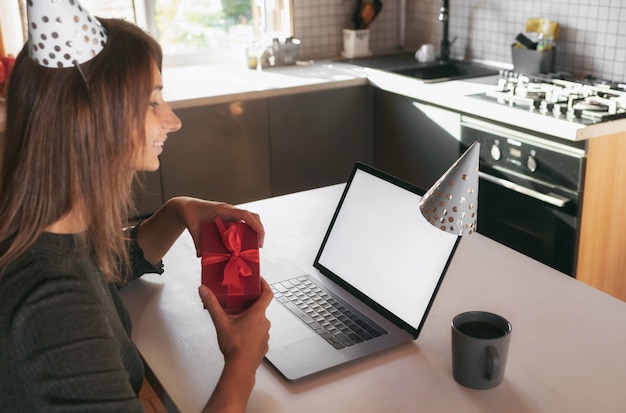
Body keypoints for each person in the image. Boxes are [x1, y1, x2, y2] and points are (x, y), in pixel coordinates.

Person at [0, 2, 272, 412]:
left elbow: (108, 267)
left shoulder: (48, 234)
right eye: (152, 102)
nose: (173, 120)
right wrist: (242, 362)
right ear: (89, 119)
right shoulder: (52, 307)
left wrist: (178, 211)